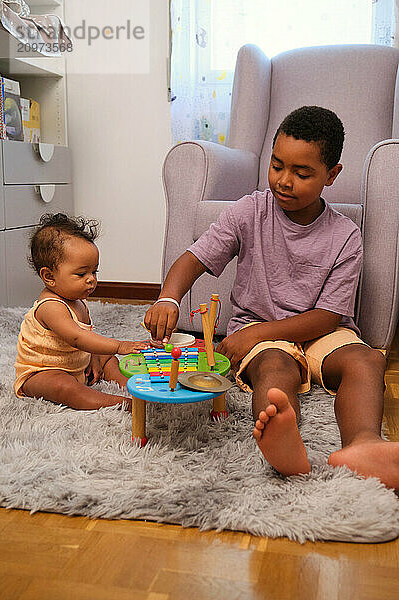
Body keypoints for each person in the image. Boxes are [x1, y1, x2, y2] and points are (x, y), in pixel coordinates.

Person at [144, 105, 399, 489]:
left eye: (302, 173)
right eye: (277, 165)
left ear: (332, 175)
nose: (284, 180)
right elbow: (194, 257)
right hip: (262, 334)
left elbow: (329, 316)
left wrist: (255, 335)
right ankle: (284, 440)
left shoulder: (346, 235)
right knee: (275, 370)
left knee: (366, 360)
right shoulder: (250, 211)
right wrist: (168, 297)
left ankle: (363, 443)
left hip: (319, 332)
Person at [14, 213, 149, 410]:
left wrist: (93, 356)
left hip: (75, 363)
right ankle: (119, 403)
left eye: (94, 272)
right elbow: (77, 337)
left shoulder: (78, 301)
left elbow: (87, 338)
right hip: (42, 372)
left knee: (106, 356)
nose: (91, 279)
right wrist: (119, 345)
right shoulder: (50, 307)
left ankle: (129, 386)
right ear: (49, 276)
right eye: (81, 273)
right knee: (64, 386)